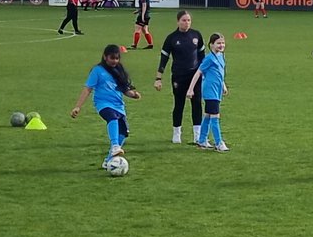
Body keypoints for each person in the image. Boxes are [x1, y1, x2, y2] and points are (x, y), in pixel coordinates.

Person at [71, 44, 142, 167]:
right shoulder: (97, 71)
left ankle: (109, 160)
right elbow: (87, 89)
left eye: (117, 58)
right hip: (103, 104)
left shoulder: (119, 71)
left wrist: (133, 94)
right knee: (112, 117)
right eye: (112, 58)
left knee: (124, 133)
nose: (114, 61)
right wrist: (78, 106)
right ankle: (115, 146)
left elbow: (124, 89)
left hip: (118, 105)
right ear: (105, 57)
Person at [154, 10, 205, 144]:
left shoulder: (196, 35)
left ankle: (197, 135)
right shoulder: (172, 38)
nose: (186, 23)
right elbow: (164, 59)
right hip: (178, 76)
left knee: (197, 104)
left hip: (195, 76)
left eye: (188, 20)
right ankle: (177, 133)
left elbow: (202, 57)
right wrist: (158, 78)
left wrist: (204, 73)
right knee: (179, 104)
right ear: (178, 21)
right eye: (184, 20)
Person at [188, 33, 229, 151]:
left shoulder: (221, 56)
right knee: (215, 116)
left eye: (222, 43)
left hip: (217, 89)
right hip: (210, 90)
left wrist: (223, 85)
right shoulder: (209, 58)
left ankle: (202, 140)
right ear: (211, 45)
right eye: (218, 43)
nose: (221, 45)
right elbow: (198, 73)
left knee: (208, 115)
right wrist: (191, 89)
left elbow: (219, 72)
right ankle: (219, 142)